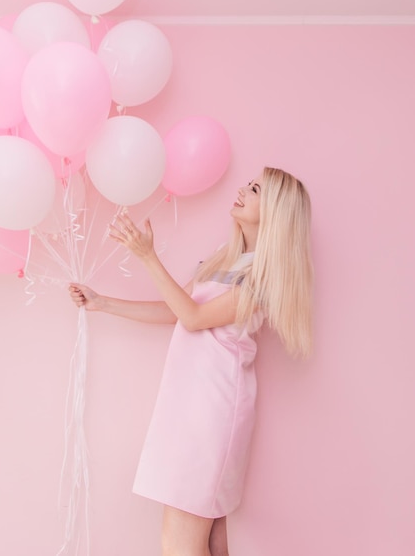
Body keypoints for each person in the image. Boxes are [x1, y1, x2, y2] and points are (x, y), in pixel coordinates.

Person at [69, 166, 313, 556]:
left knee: (180, 545)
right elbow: (176, 310)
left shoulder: (262, 277)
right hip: (191, 411)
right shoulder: (223, 259)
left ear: (276, 212)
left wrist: (147, 256)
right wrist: (103, 303)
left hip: (211, 415)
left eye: (255, 189)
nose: (242, 190)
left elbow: (193, 318)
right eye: (247, 184)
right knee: (210, 544)